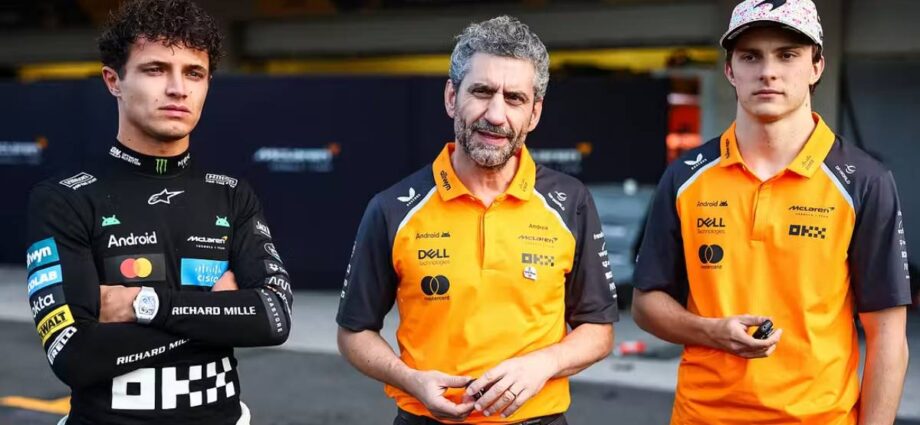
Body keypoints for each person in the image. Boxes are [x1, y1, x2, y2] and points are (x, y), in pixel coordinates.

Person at [632, 0, 911, 424]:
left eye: (787, 55)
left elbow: (888, 337)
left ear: (816, 66)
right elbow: (645, 304)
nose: (768, 71)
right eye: (751, 57)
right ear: (730, 70)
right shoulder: (685, 176)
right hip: (702, 416)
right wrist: (711, 332)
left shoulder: (864, 181)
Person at [335, 15, 617, 425]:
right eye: (482, 92)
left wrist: (545, 363)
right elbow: (353, 332)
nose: (496, 114)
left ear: (534, 113)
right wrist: (409, 379)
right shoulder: (392, 208)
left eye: (515, 98)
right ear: (452, 97)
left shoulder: (570, 201)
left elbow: (598, 329)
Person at [24, 1, 292, 423]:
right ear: (113, 80)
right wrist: (215, 312)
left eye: (194, 73)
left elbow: (273, 318)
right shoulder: (64, 199)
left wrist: (145, 304)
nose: (178, 89)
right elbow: (74, 356)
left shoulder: (232, 195)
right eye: (155, 69)